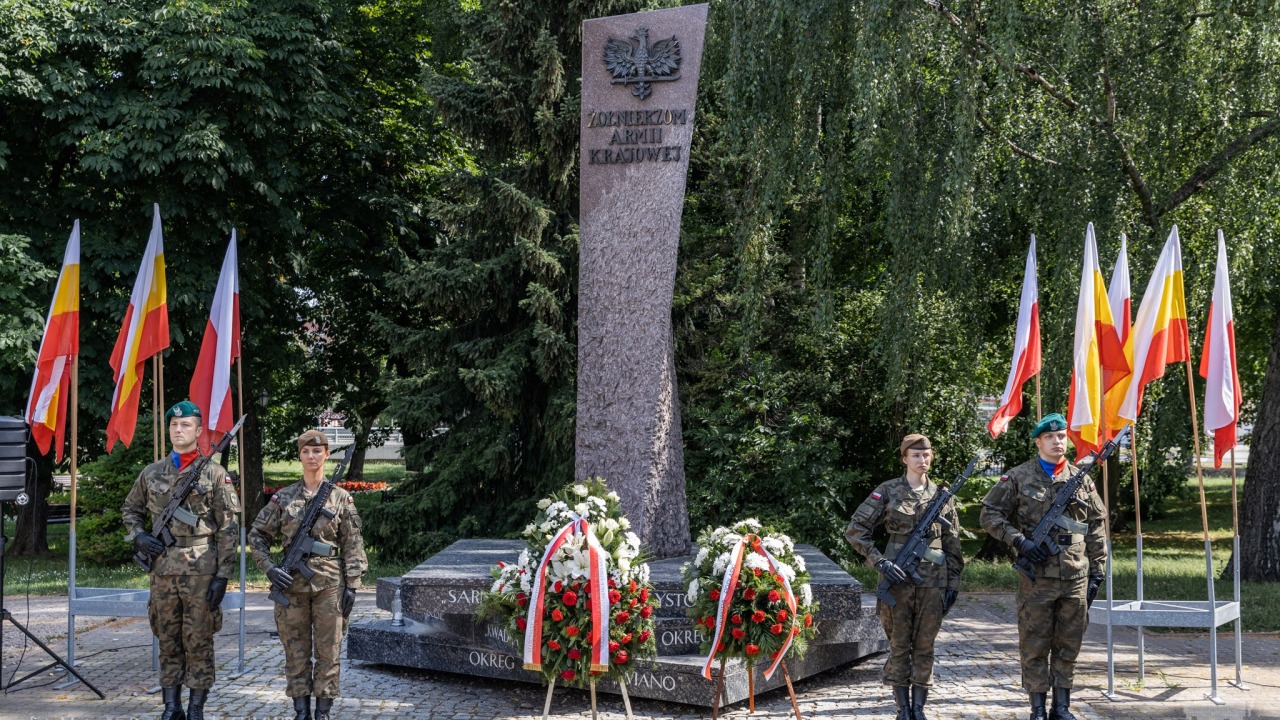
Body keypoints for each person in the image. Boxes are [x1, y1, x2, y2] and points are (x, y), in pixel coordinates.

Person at [980, 413, 1107, 720]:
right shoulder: (1018, 477)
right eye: (1050, 437)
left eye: (1062, 436)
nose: (1057, 441)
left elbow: (1097, 524)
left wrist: (1098, 569)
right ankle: (1037, 709)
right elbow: (988, 515)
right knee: (1034, 643)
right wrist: (1018, 541)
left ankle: (1061, 708)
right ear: (1038, 441)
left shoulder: (1082, 479)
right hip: (1037, 577)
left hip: (1075, 574)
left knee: (1069, 643)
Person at [122, 400, 240, 720]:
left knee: (199, 638)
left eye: (185, 425)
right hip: (162, 570)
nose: (178, 429)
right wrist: (138, 535)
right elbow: (130, 510)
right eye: (174, 425)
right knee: (167, 637)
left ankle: (196, 708)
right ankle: (171, 706)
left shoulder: (215, 474)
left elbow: (229, 526)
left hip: (201, 568)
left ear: (199, 431)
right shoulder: (151, 473)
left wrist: (223, 576)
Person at [249, 430, 368, 720]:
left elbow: (353, 544)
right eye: (306, 451)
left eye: (318, 451)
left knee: (329, 651)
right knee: (296, 652)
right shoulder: (283, 498)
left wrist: (352, 584)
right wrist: (270, 568)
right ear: (300, 455)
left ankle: (322, 712)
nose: (312, 456)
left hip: (329, 585)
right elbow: (257, 535)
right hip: (290, 587)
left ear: (326, 454)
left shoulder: (340, 498)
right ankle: (301, 711)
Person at [845, 433, 963, 720]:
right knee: (899, 645)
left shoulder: (942, 496)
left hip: (933, 582)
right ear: (904, 458)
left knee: (925, 646)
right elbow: (855, 530)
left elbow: (953, 544)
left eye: (926, 455)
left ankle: (919, 709)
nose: (922, 460)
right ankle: (903, 709)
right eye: (916, 455)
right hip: (896, 582)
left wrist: (953, 584)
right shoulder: (888, 490)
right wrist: (880, 562)